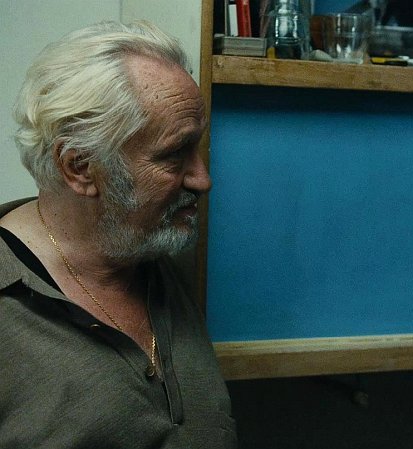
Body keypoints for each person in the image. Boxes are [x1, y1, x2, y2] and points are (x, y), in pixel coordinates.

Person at [0, 21, 236, 447]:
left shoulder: (156, 250)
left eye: (198, 147)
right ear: (80, 167)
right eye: (174, 155)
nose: (203, 180)